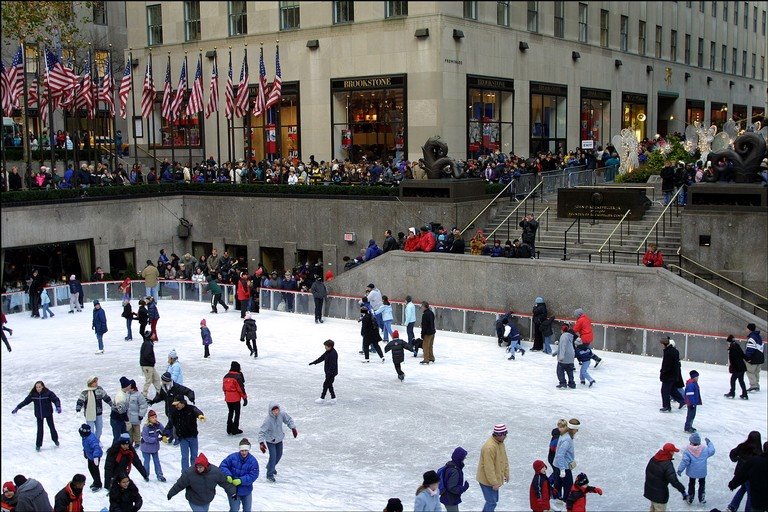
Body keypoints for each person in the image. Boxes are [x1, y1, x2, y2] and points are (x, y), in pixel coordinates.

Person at [167, 453, 237, 512]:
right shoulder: (189, 473)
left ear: (205, 466)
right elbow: (179, 485)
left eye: (200, 467)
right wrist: (171, 493)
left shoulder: (215, 472)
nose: (198, 469)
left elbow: (224, 482)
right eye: (197, 467)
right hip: (194, 500)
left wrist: (233, 492)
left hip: (207, 500)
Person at [12, 380, 61, 452]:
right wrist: (17, 408)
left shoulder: (48, 393)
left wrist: (58, 406)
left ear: (43, 387)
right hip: (39, 415)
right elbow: (25, 402)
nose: (38, 388)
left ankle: (55, 440)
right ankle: (38, 445)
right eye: (37, 387)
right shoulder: (33, 395)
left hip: (48, 413)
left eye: (39, 387)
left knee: (52, 427)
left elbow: (56, 400)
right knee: (40, 430)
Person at [257, 402, 297, 483]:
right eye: (274, 411)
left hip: (279, 439)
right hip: (270, 441)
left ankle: (270, 467)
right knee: (273, 457)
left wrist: (293, 428)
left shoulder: (281, 414)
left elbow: (288, 420)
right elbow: (261, 432)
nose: (276, 412)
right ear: (271, 411)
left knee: (279, 455)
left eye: (277, 410)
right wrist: (261, 443)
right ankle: (270, 474)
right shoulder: (268, 420)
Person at [163, 397, 205, 472]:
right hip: (183, 438)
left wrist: (200, 415)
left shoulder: (191, 409)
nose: (176, 406)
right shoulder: (175, 413)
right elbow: (170, 424)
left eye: (177, 404)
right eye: (175, 405)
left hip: (193, 437)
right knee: (185, 457)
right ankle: (185, 474)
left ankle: (194, 472)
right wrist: (165, 434)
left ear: (182, 403)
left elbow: (197, 411)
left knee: (194, 456)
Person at [644, 443, 689, 510]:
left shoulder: (654, 458)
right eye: (673, 451)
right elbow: (674, 481)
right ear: (670, 452)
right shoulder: (667, 465)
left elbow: (647, 471)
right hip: (659, 495)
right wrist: (682, 490)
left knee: (653, 508)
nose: (674, 453)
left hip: (650, 491)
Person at [219, 439, 260, 512]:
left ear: (249, 450)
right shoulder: (232, 457)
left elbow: (254, 475)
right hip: (233, 490)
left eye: (246, 450)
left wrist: (241, 480)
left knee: (247, 509)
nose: (244, 452)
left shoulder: (253, 461)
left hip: (246, 490)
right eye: (242, 450)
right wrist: (228, 475)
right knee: (234, 509)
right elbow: (223, 466)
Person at [476, 424, 509, 512]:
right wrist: (494, 483)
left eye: (506, 433)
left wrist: (506, 473)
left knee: (494, 501)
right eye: (504, 434)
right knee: (491, 502)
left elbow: (504, 459)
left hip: (495, 478)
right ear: (498, 434)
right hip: (487, 480)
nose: (506, 436)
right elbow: (488, 468)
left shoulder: (500, 443)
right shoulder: (489, 447)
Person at [727, 431, 762, 512]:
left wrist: (736, 459)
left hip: (740, 473)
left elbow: (732, 454)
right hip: (750, 476)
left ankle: (732, 506)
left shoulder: (742, 446)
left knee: (743, 489)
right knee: (750, 494)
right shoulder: (758, 452)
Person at [676, 433, 715, 505]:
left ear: (691, 442)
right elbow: (712, 451)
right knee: (702, 483)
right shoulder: (705, 449)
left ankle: (690, 497)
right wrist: (709, 443)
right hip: (702, 472)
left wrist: (680, 470)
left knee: (691, 483)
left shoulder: (688, 450)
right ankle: (701, 497)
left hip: (692, 472)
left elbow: (685, 461)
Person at [76, 376, 114, 444]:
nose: (96, 383)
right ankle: (92, 442)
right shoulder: (85, 392)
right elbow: (80, 401)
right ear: (91, 383)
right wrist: (78, 410)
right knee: (91, 430)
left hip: (98, 413)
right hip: (89, 414)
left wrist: (112, 405)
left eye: (96, 381)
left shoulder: (99, 389)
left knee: (99, 429)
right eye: (95, 381)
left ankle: (97, 440)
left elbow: (106, 397)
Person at [552, 418, 579, 504]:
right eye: (577, 429)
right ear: (573, 428)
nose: (577, 431)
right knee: (568, 486)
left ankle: (555, 500)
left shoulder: (566, 435)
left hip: (559, 465)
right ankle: (566, 503)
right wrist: (563, 469)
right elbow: (560, 454)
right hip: (563, 466)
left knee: (558, 484)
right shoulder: (567, 439)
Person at [659, 337, 686, 412]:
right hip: (674, 375)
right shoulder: (674, 351)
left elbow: (667, 365)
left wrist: (663, 373)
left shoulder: (668, 352)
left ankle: (667, 407)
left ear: (664, 344)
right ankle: (682, 401)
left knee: (664, 391)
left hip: (668, 376)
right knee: (672, 390)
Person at [440, 447, 469, 512]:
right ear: (459, 458)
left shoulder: (450, 465)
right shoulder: (454, 471)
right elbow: (452, 488)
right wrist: (463, 488)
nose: (464, 458)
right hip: (450, 499)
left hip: (449, 498)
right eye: (464, 457)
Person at [140, 410, 166, 482]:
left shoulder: (158, 425)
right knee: (147, 462)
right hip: (146, 448)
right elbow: (146, 438)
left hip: (154, 448)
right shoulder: (146, 427)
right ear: (149, 419)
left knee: (157, 461)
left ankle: (160, 475)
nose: (154, 419)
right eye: (152, 417)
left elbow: (163, 431)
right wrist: (157, 439)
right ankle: (146, 475)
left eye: (155, 417)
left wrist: (165, 435)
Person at [223, 361, 247, 435]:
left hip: (228, 398)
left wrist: (226, 395)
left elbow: (224, 388)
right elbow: (240, 388)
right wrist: (245, 398)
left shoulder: (226, 376)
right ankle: (235, 429)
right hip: (235, 398)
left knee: (230, 412)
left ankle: (229, 428)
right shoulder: (237, 377)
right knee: (237, 413)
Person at [79, 423, 104, 491]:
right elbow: (86, 445)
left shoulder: (91, 439)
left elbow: (96, 447)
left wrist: (96, 457)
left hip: (95, 456)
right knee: (90, 468)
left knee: (95, 470)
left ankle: (98, 484)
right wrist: (85, 451)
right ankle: (96, 481)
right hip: (90, 456)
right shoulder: (85, 437)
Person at [725, 334, 749, 399]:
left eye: (728, 342)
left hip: (737, 368)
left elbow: (733, 360)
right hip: (742, 367)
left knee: (733, 380)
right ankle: (744, 394)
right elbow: (742, 354)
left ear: (729, 342)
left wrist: (732, 368)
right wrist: (748, 359)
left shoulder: (732, 349)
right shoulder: (737, 345)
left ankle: (732, 393)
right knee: (741, 380)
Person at [552, 324, 576, 389]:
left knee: (560, 370)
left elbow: (563, 347)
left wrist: (561, 356)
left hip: (565, 356)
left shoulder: (563, 336)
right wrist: (555, 353)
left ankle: (563, 383)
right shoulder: (570, 336)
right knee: (569, 370)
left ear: (562, 330)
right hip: (571, 356)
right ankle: (572, 383)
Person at [126, 380, 147, 447]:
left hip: (136, 417)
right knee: (129, 431)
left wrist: (141, 414)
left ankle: (137, 442)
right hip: (128, 417)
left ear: (132, 388)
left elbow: (143, 405)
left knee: (136, 430)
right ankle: (130, 441)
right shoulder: (127, 394)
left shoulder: (138, 395)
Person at [140, 332, 161, 397]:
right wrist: (152, 361)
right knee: (148, 380)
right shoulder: (148, 344)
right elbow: (147, 355)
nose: (154, 335)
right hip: (147, 366)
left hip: (149, 365)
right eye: (153, 334)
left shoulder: (148, 343)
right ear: (150, 336)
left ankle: (160, 393)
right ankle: (144, 394)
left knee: (156, 378)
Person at [744, 322, 764, 392]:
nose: (745, 329)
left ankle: (753, 385)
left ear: (749, 329)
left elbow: (750, 349)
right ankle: (757, 385)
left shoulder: (752, 338)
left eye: (746, 328)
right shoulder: (758, 336)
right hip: (760, 358)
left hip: (753, 358)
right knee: (756, 372)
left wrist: (747, 358)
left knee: (750, 371)